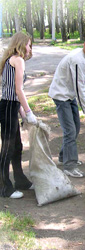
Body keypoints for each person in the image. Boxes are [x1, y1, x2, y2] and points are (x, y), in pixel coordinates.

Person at [48, 33, 85, 178]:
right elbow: (80, 88)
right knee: (70, 131)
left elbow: (80, 85)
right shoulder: (77, 59)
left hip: (69, 95)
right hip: (61, 96)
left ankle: (63, 157)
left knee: (76, 127)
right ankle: (69, 166)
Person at [0, 32, 37, 199]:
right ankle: (4, 188)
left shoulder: (10, 60)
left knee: (17, 147)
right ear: (22, 44)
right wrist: (29, 112)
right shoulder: (18, 60)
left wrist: (22, 114)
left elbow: (14, 95)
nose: (30, 48)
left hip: (10, 106)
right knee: (8, 148)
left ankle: (20, 180)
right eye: (29, 44)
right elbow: (18, 90)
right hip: (8, 107)